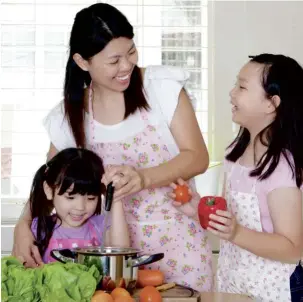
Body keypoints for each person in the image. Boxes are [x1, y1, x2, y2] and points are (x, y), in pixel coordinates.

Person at [12, 3, 212, 291]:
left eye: (131, 52)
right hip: (108, 262)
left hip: (180, 249)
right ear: (82, 62)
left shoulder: (160, 87)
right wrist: (23, 224)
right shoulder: (70, 115)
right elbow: (50, 180)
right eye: (113, 60)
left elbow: (198, 157)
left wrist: (144, 178)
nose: (127, 65)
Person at [172, 54, 303, 301]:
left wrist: (235, 233)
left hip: (276, 288)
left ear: (271, 103)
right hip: (235, 280)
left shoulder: (282, 167)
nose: (232, 93)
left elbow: (292, 249)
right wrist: (199, 208)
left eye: (242, 87)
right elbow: (230, 217)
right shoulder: (235, 152)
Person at [28, 148, 129, 263]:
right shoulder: (40, 228)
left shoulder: (100, 225)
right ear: (49, 190)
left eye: (91, 198)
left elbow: (122, 254)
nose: (80, 207)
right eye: (70, 197)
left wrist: (116, 197)